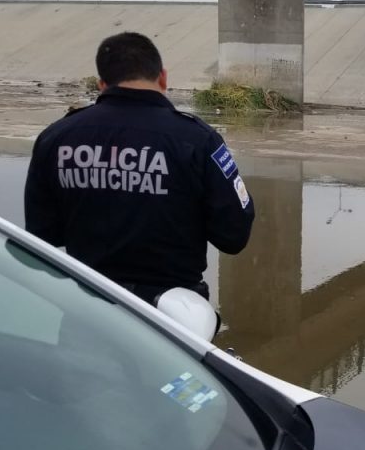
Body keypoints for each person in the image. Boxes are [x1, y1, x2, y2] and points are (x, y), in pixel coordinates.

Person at [25, 32, 255, 304]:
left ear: (102, 84)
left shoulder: (56, 137)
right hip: (172, 316)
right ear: (163, 77)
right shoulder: (197, 140)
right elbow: (233, 236)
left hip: (85, 307)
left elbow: (41, 237)